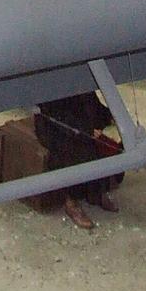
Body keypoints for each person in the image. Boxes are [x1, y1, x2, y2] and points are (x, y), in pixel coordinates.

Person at [36, 94, 124, 230]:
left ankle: (96, 193)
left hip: (79, 120)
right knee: (78, 149)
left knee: (110, 145)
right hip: (55, 126)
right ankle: (71, 201)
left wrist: (108, 116)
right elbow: (55, 113)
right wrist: (84, 130)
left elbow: (90, 101)